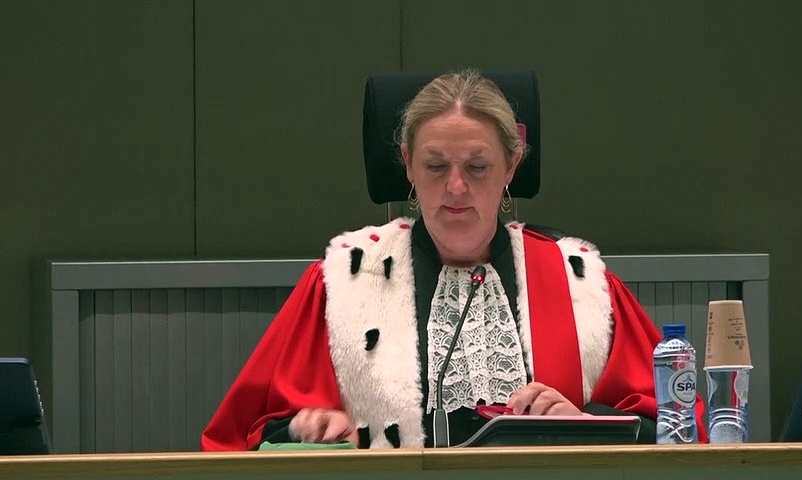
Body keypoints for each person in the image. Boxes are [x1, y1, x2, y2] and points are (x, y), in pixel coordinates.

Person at [200, 68, 707, 450]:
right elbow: (242, 437)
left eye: (478, 166)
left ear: (512, 166)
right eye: (436, 166)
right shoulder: (345, 280)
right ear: (407, 166)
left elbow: (679, 427)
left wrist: (584, 422)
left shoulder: (580, 282)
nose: (456, 187)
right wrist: (305, 428)